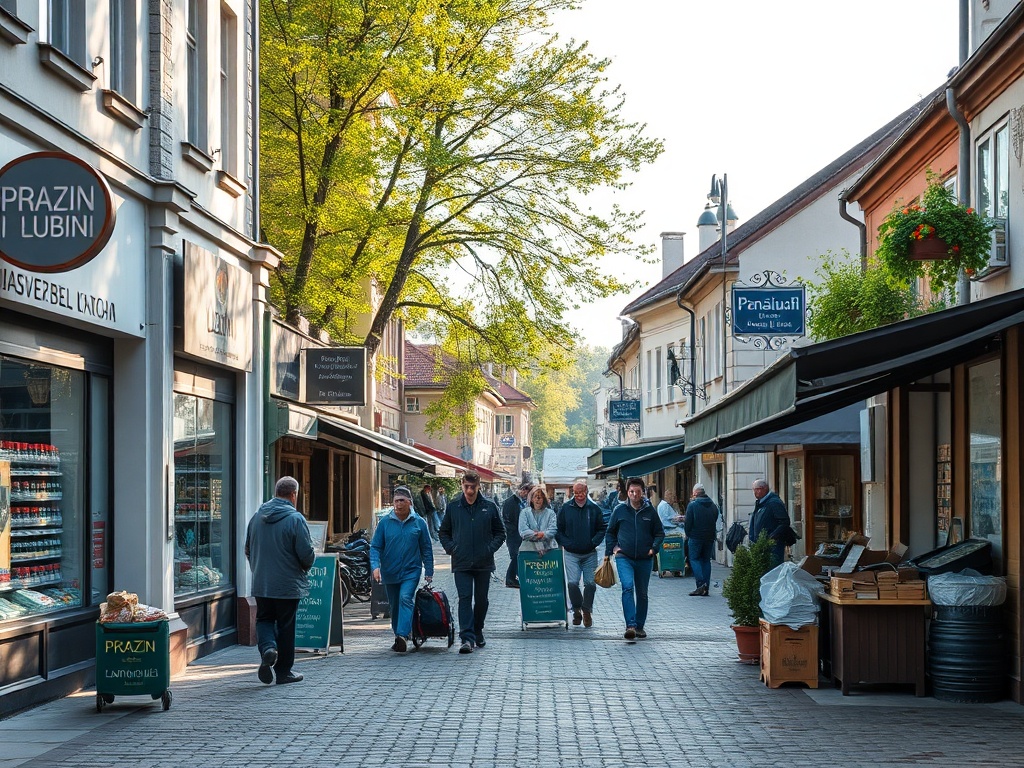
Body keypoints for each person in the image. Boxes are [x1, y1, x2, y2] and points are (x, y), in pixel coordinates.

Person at [244, 476, 316, 685]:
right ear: (294, 495)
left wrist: (258, 569)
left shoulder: (257, 517)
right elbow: (305, 554)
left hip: (261, 582)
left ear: (276, 493)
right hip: (287, 584)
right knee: (286, 626)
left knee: (264, 619)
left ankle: (268, 648)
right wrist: (306, 565)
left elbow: (247, 548)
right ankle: (284, 672)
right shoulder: (295, 519)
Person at [439, 471, 506, 654]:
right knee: (465, 598)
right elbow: (443, 532)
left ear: (479, 486)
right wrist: (452, 548)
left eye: (473, 487)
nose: (469, 491)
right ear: (462, 485)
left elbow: (501, 533)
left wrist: (489, 548)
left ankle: (478, 629)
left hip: (483, 562)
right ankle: (466, 638)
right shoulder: (454, 507)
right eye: (466, 487)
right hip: (461, 562)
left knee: (482, 600)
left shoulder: (489, 507)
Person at [369, 485, 434, 653]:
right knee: (394, 605)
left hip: (411, 571)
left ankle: (403, 636)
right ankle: (398, 635)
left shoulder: (419, 522)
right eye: (396, 501)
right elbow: (375, 547)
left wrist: (429, 570)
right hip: (390, 571)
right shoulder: (385, 523)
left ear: (409, 503)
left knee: (405, 598)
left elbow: (426, 548)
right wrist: (375, 567)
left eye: (402, 501)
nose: (398, 504)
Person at [605, 477, 664, 641]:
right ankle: (630, 625)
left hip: (645, 558)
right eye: (631, 491)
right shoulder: (619, 510)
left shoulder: (650, 511)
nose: (634, 495)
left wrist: (654, 548)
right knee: (628, 587)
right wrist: (614, 548)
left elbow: (659, 533)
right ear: (627, 492)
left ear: (643, 492)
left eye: (638, 491)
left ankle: (640, 626)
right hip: (625, 557)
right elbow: (610, 531)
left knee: (642, 593)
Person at [556, 481, 607, 627]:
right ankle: (576, 609)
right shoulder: (566, 508)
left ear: (586, 491)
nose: (579, 496)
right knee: (572, 583)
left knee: (590, 584)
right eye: (576, 493)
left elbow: (601, 528)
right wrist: (567, 543)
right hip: (571, 553)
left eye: (581, 492)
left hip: (589, 553)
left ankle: (586, 610)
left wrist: (593, 542)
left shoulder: (594, 509)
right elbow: (558, 529)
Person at [683, 484, 720, 596]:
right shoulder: (713, 505)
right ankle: (706, 587)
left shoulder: (692, 505)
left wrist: (688, 534)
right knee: (706, 560)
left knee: (694, 559)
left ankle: (701, 585)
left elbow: (688, 522)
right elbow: (715, 518)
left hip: (695, 536)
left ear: (695, 493)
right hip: (709, 537)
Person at [749, 478, 791, 566]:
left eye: (755, 490)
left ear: (761, 489)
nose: (754, 493)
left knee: (772, 567)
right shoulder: (761, 503)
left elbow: (784, 522)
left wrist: (771, 537)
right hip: (762, 543)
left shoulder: (773, 503)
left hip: (772, 545)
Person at [501, 482, 531, 588]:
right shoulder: (510, 502)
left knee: (518, 556)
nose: (526, 494)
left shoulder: (523, 501)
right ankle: (510, 578)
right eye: (525, 491)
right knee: (515, 556)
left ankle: (514, 577)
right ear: (521, 490)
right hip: (514, 535)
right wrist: (514, 531)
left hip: (521, 534)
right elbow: (507, 519)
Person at [519, 487, 558, 555]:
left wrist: (541, 534)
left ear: (544, 499)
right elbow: (523, 531)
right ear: (531, 499)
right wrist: (540, 534)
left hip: (549, 550)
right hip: (529, 550)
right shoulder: (524, 512)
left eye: (540, 497)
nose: (537, 499)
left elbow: (553, 530)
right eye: (535, 497)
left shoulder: (551, 513)